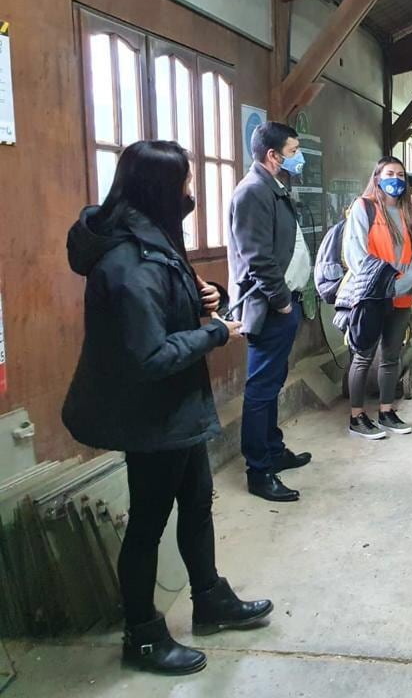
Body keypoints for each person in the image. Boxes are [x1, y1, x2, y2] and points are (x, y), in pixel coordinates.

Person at [63, 141, 273, 676]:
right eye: (183, 182)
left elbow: (168, 302)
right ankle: (143, 635)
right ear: (160, 188)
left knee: (198, 503)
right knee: (148, 525)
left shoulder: (152, 236)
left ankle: (210, 601)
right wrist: (213, 333)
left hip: (178, 409)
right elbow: (150, 355)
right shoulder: (126, 259)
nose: (190, 192)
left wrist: (204, 296)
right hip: (150, 414)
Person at [228, 122, 313, 503]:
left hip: (284, 304)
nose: (299, 157)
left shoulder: (274, 189)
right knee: (260, 389)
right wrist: (280, 301)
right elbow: (258, 258)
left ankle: (273, 450)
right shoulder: (252, 193)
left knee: (273, 382)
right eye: (294, 151)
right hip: (269, 307)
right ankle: (258, 471)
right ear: (272, 155)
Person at [343, 156, 412, 439]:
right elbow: (356, 253)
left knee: (391, 355)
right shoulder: (363, 208)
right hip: (371, 295)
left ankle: (387, 411)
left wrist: (402, 285)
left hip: (400, 296)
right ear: (377, 177)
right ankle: (356, 417)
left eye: (401, 175)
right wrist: (381, 284)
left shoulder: (411, 213)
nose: (396, 179)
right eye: (390, 173)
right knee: (363, 356)